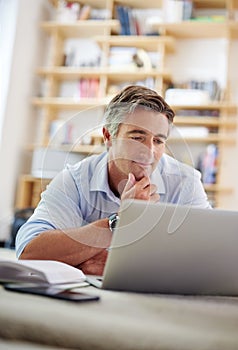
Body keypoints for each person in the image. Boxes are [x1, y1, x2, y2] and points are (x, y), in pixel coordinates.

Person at [16, 85, 211, 275]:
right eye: (137, 138)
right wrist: (120, 221)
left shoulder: (186, 182)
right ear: (109, 136)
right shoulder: (75, 180)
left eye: (158, 141)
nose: (149, 152)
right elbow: (28, 251)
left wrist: (119, 264)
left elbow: (209, 257)